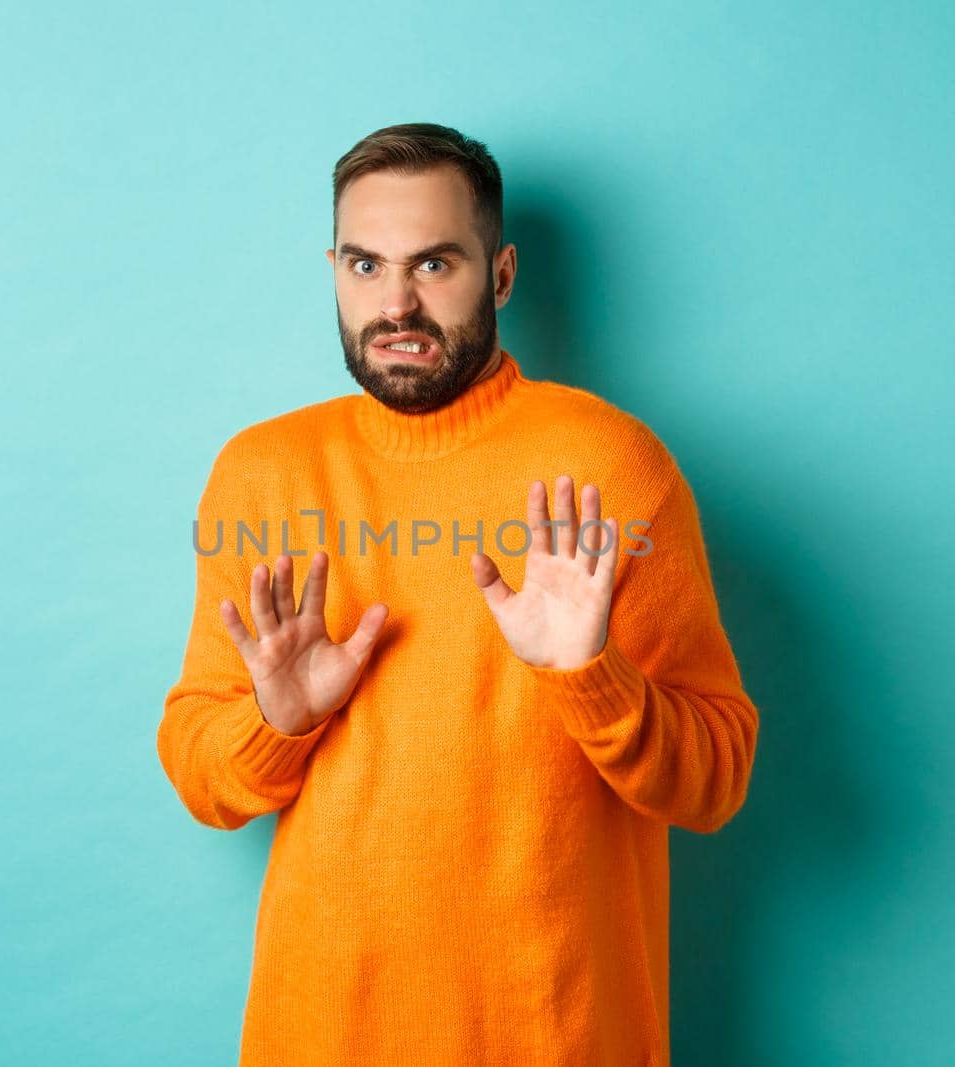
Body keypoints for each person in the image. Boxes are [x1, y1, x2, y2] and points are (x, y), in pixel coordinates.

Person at [157, 121, 758, 1067]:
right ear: (333, 270)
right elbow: (200, 769)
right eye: (364, 265)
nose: (395, 303)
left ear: (503, 274)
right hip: (325, 1030)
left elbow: (716, 779)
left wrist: (593, 679)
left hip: (558, 1030)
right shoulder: (263, 474)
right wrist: (277, 721)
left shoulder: (610, 465)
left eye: (434, 264)